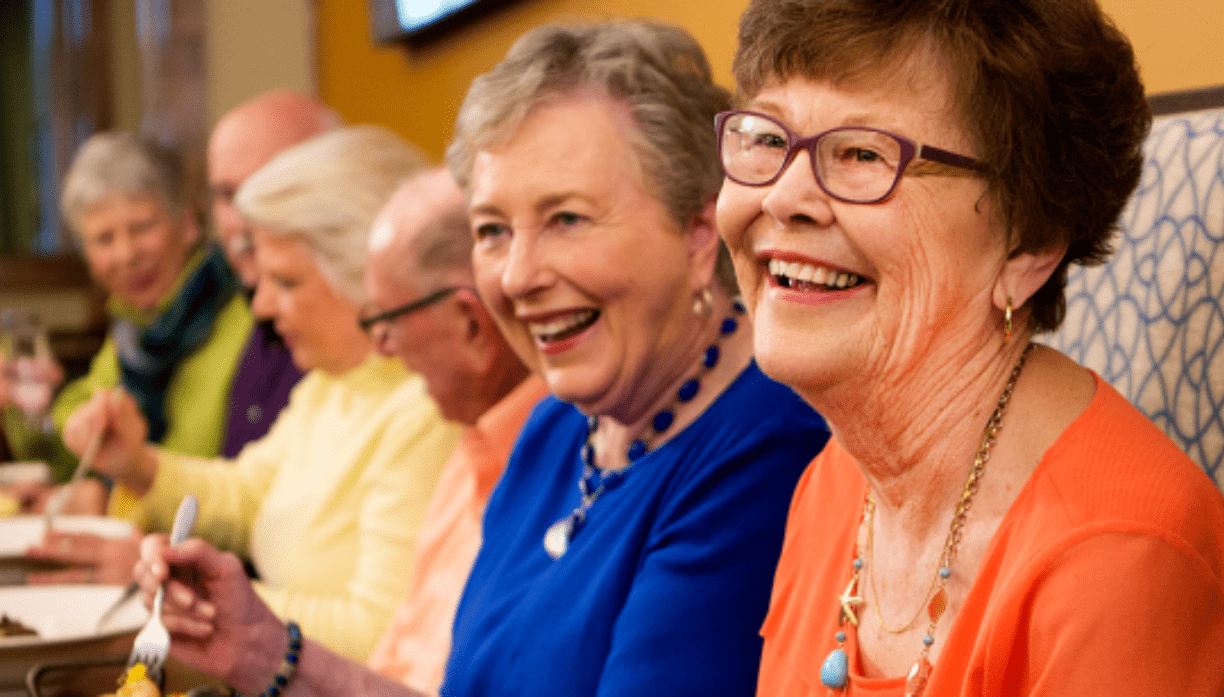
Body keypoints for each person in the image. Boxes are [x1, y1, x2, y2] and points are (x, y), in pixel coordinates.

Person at [131, 20, 830, 697]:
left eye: (566, 218)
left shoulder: (764, 449)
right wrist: (262, 649)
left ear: (698, 230)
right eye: (493, 230)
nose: (517, 275)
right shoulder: (554, 429)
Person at [714, 0, 1224, 694]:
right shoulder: (835, 481)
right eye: (768, 139)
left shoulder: (1117, 556)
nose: (783, 196)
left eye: (863, 153)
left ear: (1030, 241)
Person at [66, 125, 459, 661]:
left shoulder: (424, 411)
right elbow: (249, 492)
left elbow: (380, 633)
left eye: (288, 282)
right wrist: (136, 465)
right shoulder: (333, 383)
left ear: (367, 278)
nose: (262, 307)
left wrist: (197, 593)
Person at [361, 170, 546, 695]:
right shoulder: (472, 449)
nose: (381, 347)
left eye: (387, 318)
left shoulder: (568, 462)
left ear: (469, 323)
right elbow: (393, 658)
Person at [2, 132, 253, 507]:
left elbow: (213, 474)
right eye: (104, 239)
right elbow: (72, 463)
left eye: (142, 228)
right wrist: (24, 406)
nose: (126, 254)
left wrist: (106, 497)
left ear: (187, 224)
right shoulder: (131, 332)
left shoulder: (247, 317)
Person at [208, 90, 340, 457]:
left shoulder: (355, 336)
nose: (238, 219)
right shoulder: (255, 315)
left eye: (262, 188)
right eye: (225, 195)